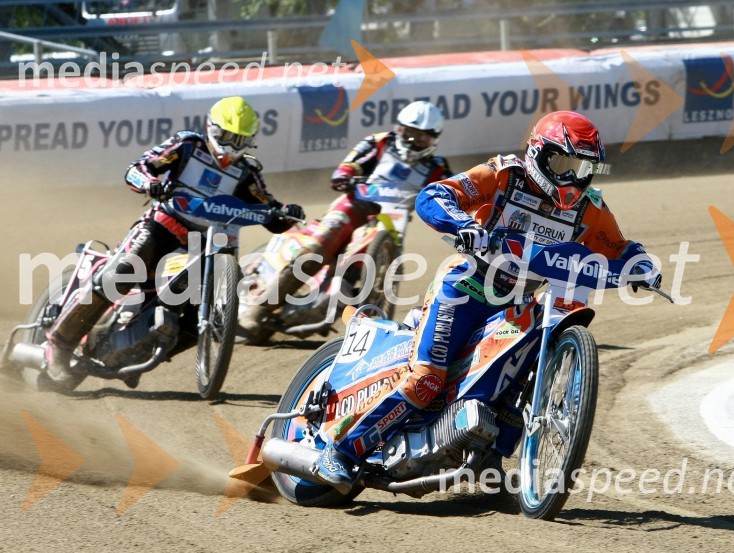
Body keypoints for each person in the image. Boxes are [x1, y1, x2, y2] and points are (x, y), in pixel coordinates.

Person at [312, 110, 663, 493]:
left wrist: (642, 264)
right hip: (465, 289)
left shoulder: (590, 208)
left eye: (582, 169)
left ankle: (486, 464)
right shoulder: (504, 174)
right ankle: (341, 451)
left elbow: (619, 247)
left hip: (518, 304)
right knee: (427, 380)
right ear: (538, 153)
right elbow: (435, 195)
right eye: (564, 164)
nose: (571, 178)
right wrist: (464, 225)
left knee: (516, 385)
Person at [44, 96, 305, 384]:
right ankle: (60, 345)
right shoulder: (187, 145)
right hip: (163, 225)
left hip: (206, 245)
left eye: (240, 140)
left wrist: (287, 213)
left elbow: (268, 208)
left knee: (203, 316)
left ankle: (136, 353)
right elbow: (137, 169)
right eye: (227, 137)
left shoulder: (247, 171)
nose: (232, 146)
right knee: (122, 272)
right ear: (212, 129)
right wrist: (151, 183)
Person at [237, 100, 453, 336]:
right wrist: (346, 176)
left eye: (422, 137)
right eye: (410, 133)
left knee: (352, 272)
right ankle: (257, 310)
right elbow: (347, 166)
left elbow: (453, 193)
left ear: (434, 139)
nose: (414, 141)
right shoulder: (378, 142)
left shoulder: (437, 168)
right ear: (400, 128)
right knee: (319, 247)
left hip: (390, 224)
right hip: (353, 206)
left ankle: (340, 307)